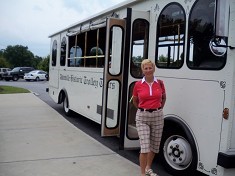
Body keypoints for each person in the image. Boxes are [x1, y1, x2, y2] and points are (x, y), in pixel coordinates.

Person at [132, 59, 166, 176]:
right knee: (145, 146)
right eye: (145, 68)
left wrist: (159, 108)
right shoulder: (138, 85)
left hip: (157, 116)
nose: (148, 70)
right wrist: (142, 109)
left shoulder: (160, 83)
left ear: (154, 69)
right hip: (142, 116)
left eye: (150, 68)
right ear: (142, 70)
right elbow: (135, 101)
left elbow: (164, 98)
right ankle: (142, 173)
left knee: (155, 146)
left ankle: (148, 168)